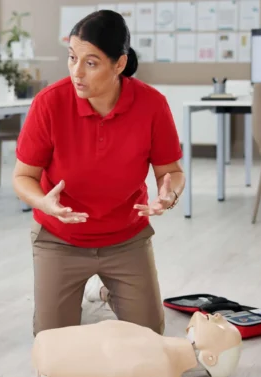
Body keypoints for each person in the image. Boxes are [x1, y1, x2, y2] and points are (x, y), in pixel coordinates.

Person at [12, 10, 185, 336]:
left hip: (126, 239)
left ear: (119, 64)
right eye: (72, 58)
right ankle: (101, 290)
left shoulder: (152, 105)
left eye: (90, 63)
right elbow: (23, 177)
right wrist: (44, 203)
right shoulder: (49, 103)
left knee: (148, 342)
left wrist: (169, 194)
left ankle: (109, 290)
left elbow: (171, 172)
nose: (77, 72)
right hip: (60, 240)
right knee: (53, 349)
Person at [32, 312, 242, 377]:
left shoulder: (161, 373)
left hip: (52, 368)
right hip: (49, 350)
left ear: (211, 358)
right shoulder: (152, 341)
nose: (217, 317)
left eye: (220, 328)